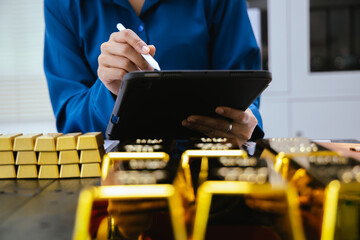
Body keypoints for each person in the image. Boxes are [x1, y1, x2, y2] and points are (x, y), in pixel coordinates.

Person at [44, 0, 266, 239]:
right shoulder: (62, 4)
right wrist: (110, 90)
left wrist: (245, 123)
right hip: (112, 195)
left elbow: (245, 95)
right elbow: (70, 121)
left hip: (211, 193)